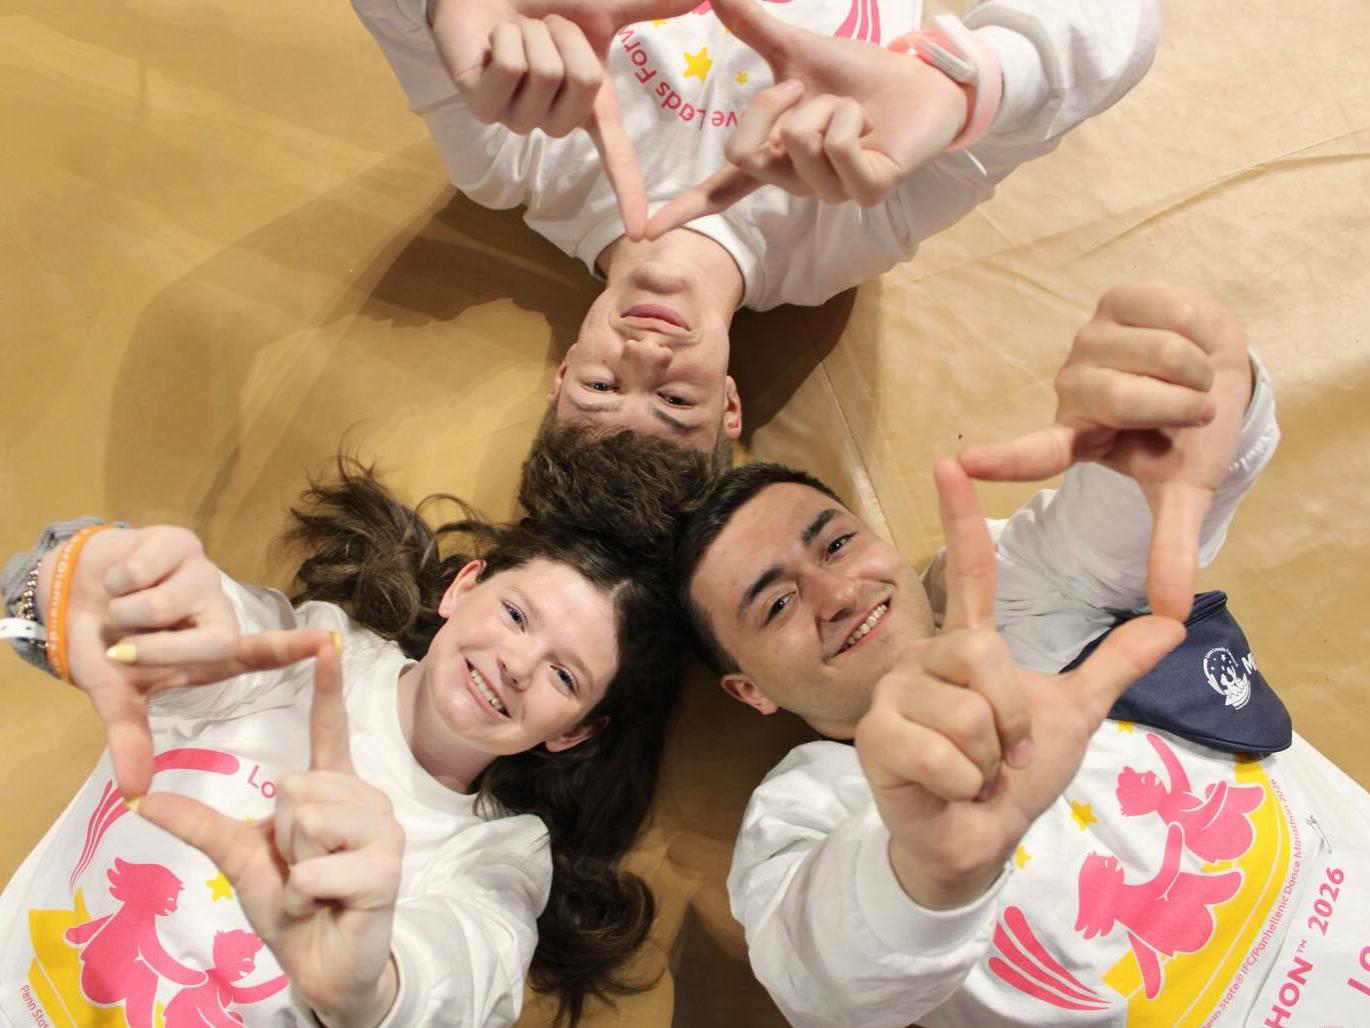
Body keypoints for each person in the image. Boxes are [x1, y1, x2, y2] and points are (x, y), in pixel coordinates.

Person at [673, 283, 1370, 1024]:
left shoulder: (1025, 586)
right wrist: (923, 868)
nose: (836, 594)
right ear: (751, 692)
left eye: (838, 544)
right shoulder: (798, 819)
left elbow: (1132, 506)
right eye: (776, 604)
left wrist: (1197, 396)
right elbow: (825, 977)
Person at [0, 458, 686, 1027]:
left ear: (573, 730)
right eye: (515, 615)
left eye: (563, 675)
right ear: (462, 588)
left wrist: (370, 986)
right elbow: (94, 614)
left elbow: (460, 969)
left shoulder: (498, 860)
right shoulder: (300, 654)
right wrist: (80, 584)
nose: (516, 664)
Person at [354, 0, 1160, 462]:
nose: (645, 355)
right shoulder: (843, 235)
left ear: (565, 371)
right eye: (674, 398)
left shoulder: (510, 161)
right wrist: (959, 89)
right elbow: (1120, 28)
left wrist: (448, 5)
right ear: (730, 408)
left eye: (603, 387)